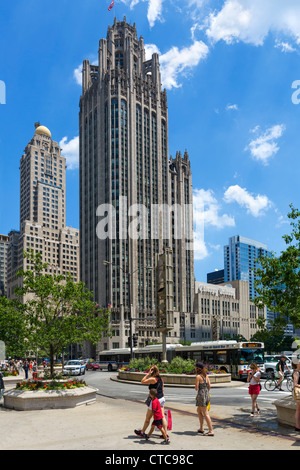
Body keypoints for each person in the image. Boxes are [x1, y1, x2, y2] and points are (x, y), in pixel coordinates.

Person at [134, 365, 168, 439]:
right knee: (162, 417)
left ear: (152, 371)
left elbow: (142, 381)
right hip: (161, 398)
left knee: (148, 418)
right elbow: (162, 389)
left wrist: (148, 374)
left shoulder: (153, 379)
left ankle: (142, 432)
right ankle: (165, 434)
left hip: (155, 400)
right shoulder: (160, 378)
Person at [195, 362, 214, 436]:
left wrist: (199, 389)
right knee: (199, 410)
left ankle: (211, 430)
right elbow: (210, 386)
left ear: (197, 368)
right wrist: (206, 392)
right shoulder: (206, 376)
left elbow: (196, 388)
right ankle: (201, 428)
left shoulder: (198, 377)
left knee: (205, 413)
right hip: (206, 394)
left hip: (201, 395)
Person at [292, 361, 300, 432]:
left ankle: (298, 427)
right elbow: (295, 384)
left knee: (298, 409)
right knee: (298, 409)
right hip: (299, 392)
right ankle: (297, 426)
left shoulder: (297, 372)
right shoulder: (296, 372)